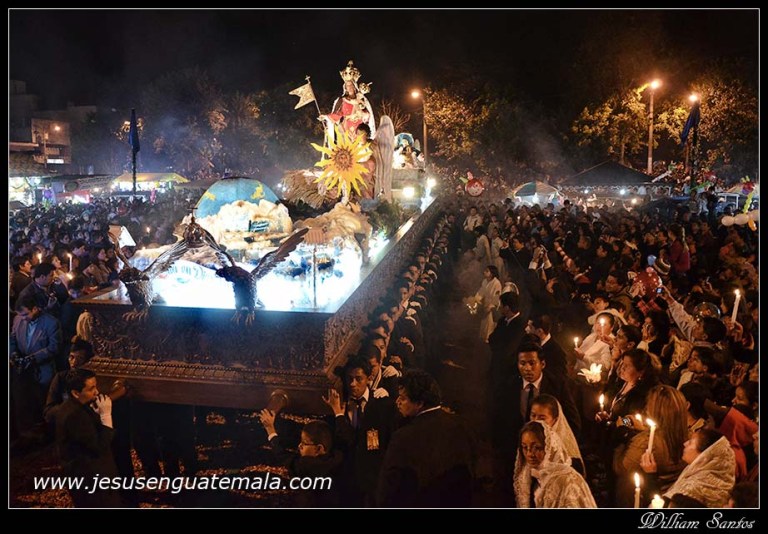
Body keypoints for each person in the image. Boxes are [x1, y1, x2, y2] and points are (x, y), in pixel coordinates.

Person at [377, 370, 476, 507]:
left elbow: (389, 487)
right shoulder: (462, 426)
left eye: (403, 398)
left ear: (419, 403)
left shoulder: (403, 437)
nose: (397, 402)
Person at [55, 368, 122, 507]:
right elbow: (100, 446)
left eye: (96, 386)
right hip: (92, 483)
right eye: (91, 389)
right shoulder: (74, 415)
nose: (96, 392)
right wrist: (106, 416)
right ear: (75, 393)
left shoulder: (75, 406)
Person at [259, 412, 343, 507]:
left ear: (319, 448)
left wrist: (270, 430)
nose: (299, 446)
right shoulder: (338, 457)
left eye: (304, 443)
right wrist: (339, 413)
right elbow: (344, 438)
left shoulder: (306, 466)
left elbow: (283, 456)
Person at [513, 421, 596, 508]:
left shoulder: (568, 479)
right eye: (525, 447)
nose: (529, 454)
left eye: (537, 448)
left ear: (549, 447)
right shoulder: (529, 477)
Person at [659, 429, 736, 508]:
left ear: (704, 456)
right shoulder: (718, 476)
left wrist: (652, 477)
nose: (685, 444)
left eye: (690, 442)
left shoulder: (692, 491)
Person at [530, 394, 585, 475]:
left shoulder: (565, 450)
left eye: (542, 418)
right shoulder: (527, 438)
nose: (535, 421)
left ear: (555, 420)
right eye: (533, 415)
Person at [322, 61, 376, 142]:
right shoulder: (342, 100)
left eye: (351, 85)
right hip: (346, 130)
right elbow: (337, 114)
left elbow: (367, 115)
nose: (349, 87)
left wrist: (362, 113)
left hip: (360, 129)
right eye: (347, 86)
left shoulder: (362, 99)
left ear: (354, 86)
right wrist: (327, 117)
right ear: (345, 88)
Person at [474, 265, 502, 343]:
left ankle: (489, 341)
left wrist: (490, 307)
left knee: (489, 327)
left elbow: (496, 298)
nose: (484, 272)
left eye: (487, 271)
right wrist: (475, 300)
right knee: (483, 327)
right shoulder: (485, 281)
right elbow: (481, 292)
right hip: (485, 305)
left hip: (492, 308)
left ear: (492, 273)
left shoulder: (497, 283)